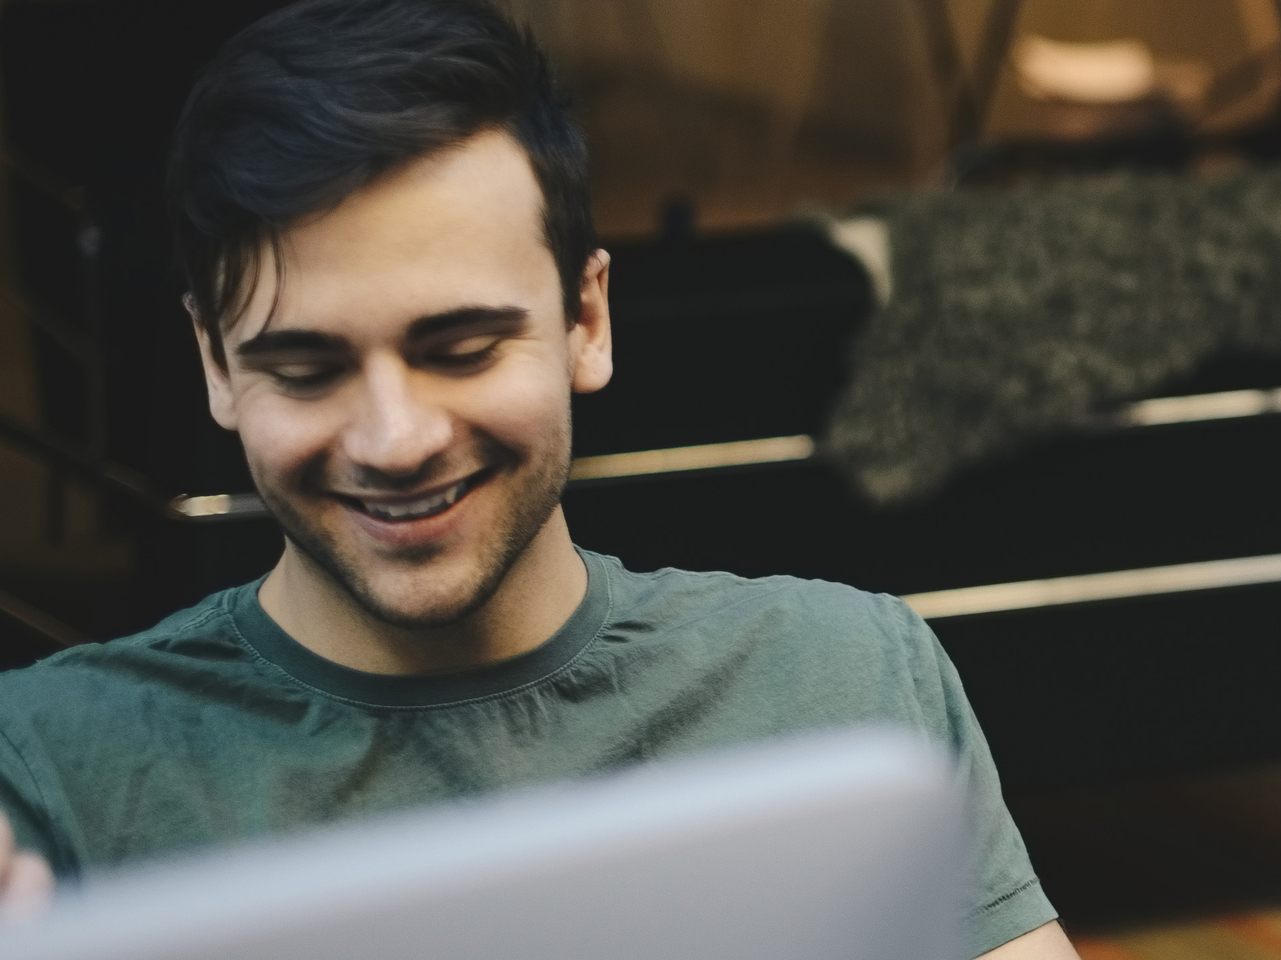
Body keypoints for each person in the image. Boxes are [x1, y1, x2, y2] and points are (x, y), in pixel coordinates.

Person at [0, 2, 1075, 956]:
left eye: (461, 348)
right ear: (217, 369)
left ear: (586, 321)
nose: (395, 437)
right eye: (309, 368)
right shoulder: (52, 769)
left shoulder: (844, 680)